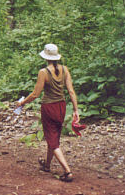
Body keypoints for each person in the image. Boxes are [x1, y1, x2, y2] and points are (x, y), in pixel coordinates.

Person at [17, 43, 79, 182]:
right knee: (54, 136)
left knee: (52, 140)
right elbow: (71, 91)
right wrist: (76, 110)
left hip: (49, 108)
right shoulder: (65, 69)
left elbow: (35, 94)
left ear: (46, 57)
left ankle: (67, 171)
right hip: (61, 107)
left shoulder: (43, 72)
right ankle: (47, 165)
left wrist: (21, 103)